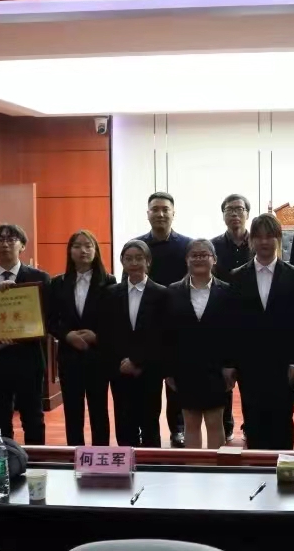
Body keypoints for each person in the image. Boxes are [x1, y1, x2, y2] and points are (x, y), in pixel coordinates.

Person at [0, 223, 51, 444]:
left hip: (28, 359)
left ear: (22, 245)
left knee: (33, 418)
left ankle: (36, 461)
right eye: (0, 239)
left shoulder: (39, 279)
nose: (5, 244)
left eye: (11, 239)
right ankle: (4, 461)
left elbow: (47, 318)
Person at [229, 214, 294, 450]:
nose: (264, 242)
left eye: (270, 236)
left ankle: (283, 467)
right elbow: (233, 324)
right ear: (251, 240)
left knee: (282, 419)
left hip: (283, 364)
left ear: (278, 239)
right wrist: (232, 363)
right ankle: (256, 468)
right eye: (259, 237)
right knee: (253, 419)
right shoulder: (238, 276)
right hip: (249, 363)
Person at [48, 230, 116, 447]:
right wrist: (67, 335)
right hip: (69, 356)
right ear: (70, 251)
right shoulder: (58, 282)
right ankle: (74, 454)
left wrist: (98, 336)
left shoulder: (109, 282)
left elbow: (115, 320)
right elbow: (50, 319)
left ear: (96, 251)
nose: (83, 250)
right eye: (77, 246)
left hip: (98, 356)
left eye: (88, 246)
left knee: (99, 410)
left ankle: (101, 454)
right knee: (72, 410)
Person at [166, 239, 234, 449]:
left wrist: (230, 366)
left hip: (216, 368)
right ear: (186, 260)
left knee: (215, 422)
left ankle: (217, 468)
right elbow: (167, 334)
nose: (199, 259)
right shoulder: (173, 291)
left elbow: (233, 333)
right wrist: (169, 371)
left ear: (214, 259)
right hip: (185, 367)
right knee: (191, 423)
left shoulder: (227, 291)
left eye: (204, 255)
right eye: (194, 255)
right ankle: (194, 467)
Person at [102, 240, 170, 448]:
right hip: (120, 370)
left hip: (149, 371)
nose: (134, 263)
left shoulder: (162, 294)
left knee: (150, 425)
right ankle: (125, 466)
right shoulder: (111, 293)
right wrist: (123, 362)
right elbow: (108, 334)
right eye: (128, 258)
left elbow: (162, 335)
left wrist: (138, 362)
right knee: (124, 425)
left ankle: (150, 465)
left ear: (148, 261)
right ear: (122, 262)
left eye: (139, 258)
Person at [133, 191, 188, 447]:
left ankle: (178, 429)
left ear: (173, 213)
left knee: (175, 379)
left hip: (177, 323)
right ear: (148, 214)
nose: (160, 214)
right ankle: (147, 429)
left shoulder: (186, 245)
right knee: (149, 381)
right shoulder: (137, 246)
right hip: (148, 324)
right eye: (155, 209)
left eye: (165, 209)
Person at [209, 194, 251, 442]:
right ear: (223, 214)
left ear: (247, 213)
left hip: (248, 319)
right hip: (221, 319)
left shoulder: (257, 243)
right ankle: (225, 425)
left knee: (247, 377)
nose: (234, 214)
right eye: (229, 210)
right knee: (223, 376)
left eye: (239, 209)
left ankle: (249, 424)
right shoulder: (213, 246)